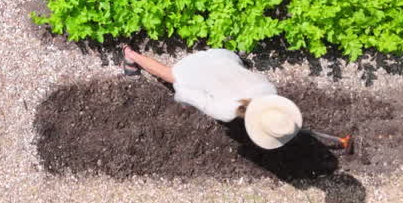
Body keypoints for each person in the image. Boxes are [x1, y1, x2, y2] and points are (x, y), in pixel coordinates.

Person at [123, 45, 303, 150]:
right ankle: (130, 54)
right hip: (195, 66)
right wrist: (182, 93)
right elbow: (189, 95)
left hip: (223, 56)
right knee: (169, 74)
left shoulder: (269, 89)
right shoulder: (225, 111)